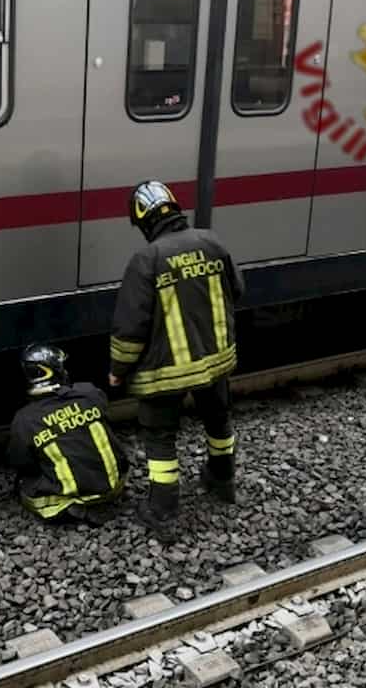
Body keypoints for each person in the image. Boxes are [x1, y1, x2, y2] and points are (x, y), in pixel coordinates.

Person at [108, 180, 245, 544]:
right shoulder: (212, 243)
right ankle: (223, 480)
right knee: (218, 421)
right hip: (215, 362)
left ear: (143, 220)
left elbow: (130, 329)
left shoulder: (147, 260)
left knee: (160, 437)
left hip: (164, 372)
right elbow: (238, 291)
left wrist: (117, 371)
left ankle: (163, 508)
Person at [7, 343, 130, 524]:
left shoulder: (24, 420)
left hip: (69, 497)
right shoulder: (90, 393)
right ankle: (102, 498)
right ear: (53, 371)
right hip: (117, 486)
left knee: (23, 487)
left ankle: (71, 509)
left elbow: (19, 462)